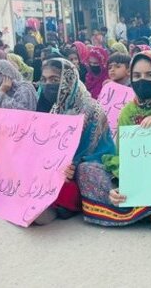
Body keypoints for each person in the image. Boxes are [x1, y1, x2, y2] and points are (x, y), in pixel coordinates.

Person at [79, 51, 151, 230]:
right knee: (87, 169)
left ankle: (146, 206)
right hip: (141, 175)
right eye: (137, 76)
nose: (143, 81)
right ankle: (149, 207)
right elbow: (126, 157)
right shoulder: (129, 112)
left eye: (150, 75)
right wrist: (124, 185)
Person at [33, 58, 116, 224]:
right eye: (45, 79)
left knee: (83, 174)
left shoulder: (91, 108)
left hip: (88, 167)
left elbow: (104, 151)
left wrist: (73, 165)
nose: (48, 84)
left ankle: (59, 205)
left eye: (55, 80)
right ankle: (53, 205)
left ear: (68, 79)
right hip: (61, 172)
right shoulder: (55, 109)